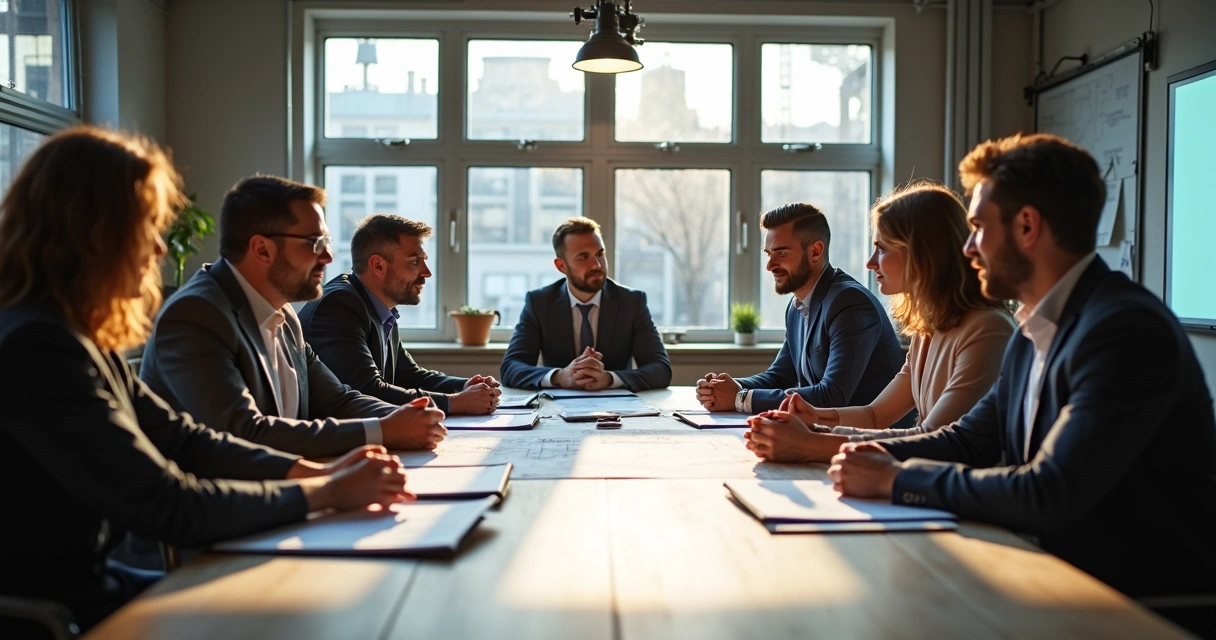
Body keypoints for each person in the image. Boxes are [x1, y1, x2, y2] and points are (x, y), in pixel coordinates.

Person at [0, 127, 411, 633]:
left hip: (92, 588)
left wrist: (310, 473)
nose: (158, 247)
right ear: (92, 232)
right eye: (145, 227)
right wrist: (324, 491)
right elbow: (168, 503)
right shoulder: (36, 348)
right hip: (56, 613)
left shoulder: (74, 335)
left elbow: (185, 439)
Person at [826, 134, 1216, 626]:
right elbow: (968, 441)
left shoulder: (1124, 330)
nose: (967, 248)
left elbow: (1050, 491)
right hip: (1053, 579)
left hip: (1138, 609)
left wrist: (896, 479)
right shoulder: (1035, 329)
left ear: (1027, 226)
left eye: (978, 228)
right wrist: (858, 454)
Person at [140, 176, 446, 458]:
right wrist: (383, 430)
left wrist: (406, 418)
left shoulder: (283, 313)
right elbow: (244, 433)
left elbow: (338, 400)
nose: (327, 257)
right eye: (315, 243)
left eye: (326, 243)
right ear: (262, 250)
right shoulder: (196, 314)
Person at [746, 183, 1014, 462]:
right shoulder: (927, 330)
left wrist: (810, 444)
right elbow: (875, 415)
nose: (871, 263)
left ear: (922, 253)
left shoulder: (987, 329)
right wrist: (814, 417)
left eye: (881, 248)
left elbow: (934, 439)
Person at [697, 203, 905, 415]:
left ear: (815, 251)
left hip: (873, 433)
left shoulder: (850, 302)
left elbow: (832, 396)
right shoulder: (797, 306)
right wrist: (723, 389)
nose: (770, 265)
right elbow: (780, 376)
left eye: (781, 253)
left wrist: (740, 398)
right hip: (827, 429)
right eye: (769, 254)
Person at [299, 214, 501, 415]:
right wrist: (455, 402)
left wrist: (467, 385)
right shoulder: (340, 305)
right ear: (378, 265)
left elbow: (408, 375)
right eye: (415, 261)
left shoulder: (377, 305)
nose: (427, 272)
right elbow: (366, 391)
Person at [500, 216, 671, 391]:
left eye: (600, 254)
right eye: (583, 257)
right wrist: (560, 376)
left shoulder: (631, 302)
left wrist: (609, 379)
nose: (597, 265)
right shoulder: (540, 303)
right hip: (557, 404)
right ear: (561, 266)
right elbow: (510, 368)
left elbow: (661, 369)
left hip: (616, 404)